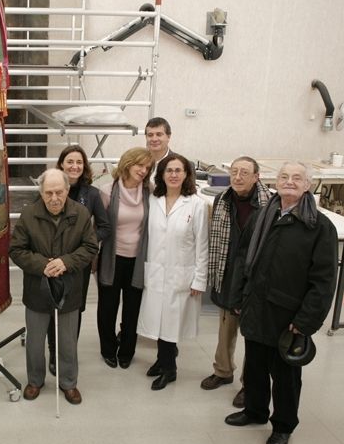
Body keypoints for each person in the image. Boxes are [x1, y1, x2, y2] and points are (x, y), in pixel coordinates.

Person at [224, 162, 337, 444]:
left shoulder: (319, 227)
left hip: (288, 316)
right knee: (255, 368)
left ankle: (283, 426)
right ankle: (255, 411)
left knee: (285, 377)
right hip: (256, 306)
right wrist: (237, 298)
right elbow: (241, 259)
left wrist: (305, 321)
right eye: (284, 177)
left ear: (308, 185)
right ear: (276, 181)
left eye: (297, 178)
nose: (289, 182)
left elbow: (323, 281)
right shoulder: (264, 215)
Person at [9, 169, 99, 405]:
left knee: (67, 340)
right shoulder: (29, 214)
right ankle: (35, 380)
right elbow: (16, 249)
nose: (54, 198)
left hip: (69, 287)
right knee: (35, 341)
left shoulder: (80, 214)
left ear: (67, 190)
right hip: (37, 288)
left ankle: (68, 382)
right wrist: (42, 265)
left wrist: (65, 262)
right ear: (41, 192)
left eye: (59, 192)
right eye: (48, 193)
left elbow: (90, 248)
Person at [200, 157, 272, 408]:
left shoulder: (268, 205)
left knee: (251, 335)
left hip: (254, 278)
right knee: (225, 327)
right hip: (228, 272)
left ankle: (248, 384)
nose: (238, 177)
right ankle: (223, 371)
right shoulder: (222, 200)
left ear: (257, 177)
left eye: (244, 172)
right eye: (234, 172)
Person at [137, 153, 208, 390]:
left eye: (179, 170)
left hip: (181, 274)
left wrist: (199, 279)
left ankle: (170, 369)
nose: (174, 175)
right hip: (156, 271)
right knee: (157, 319)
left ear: (187, 174)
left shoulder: (196, 204)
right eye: (169, 170)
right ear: (162, 174)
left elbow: (202, 245)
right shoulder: (153, 201)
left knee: (171, 323)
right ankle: (161, 360)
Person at [45, 145, 109, 375]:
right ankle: (53, 351)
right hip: (52, 261)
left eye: (79, 162)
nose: (74, 166)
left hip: (78, 264)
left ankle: (68, 352)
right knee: (53, 306)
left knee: (74, 309)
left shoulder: (91, 194)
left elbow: (104, 227)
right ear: (61, 164)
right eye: (70, 161)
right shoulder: (50, 188)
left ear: (84, 167)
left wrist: (87, 241)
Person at [96, 147, 153, 370]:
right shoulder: (107, 191)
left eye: (148, 167)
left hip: (137, 260)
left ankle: (127, 350)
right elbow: (99, 227)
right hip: (112, 258)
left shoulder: (149, 191)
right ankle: (108, 349)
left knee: (133, 309)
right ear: (128, 164)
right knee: (107, 308)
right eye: (140, 165)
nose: (144, 170)